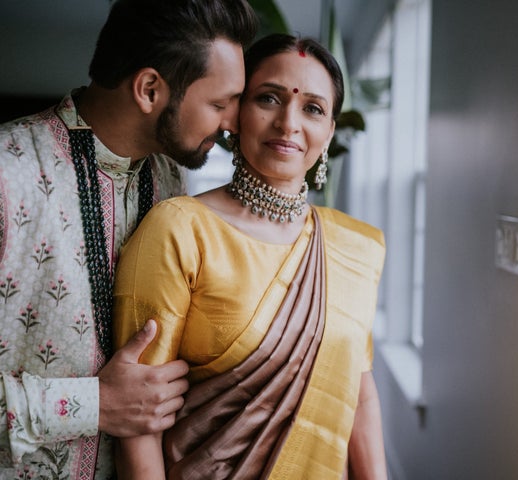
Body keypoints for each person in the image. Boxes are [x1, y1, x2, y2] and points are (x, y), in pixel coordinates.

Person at [112, 33, 389, 479]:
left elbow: (359, 391)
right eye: (268, 99)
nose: (288, 123)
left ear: (330, 131)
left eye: (313, 108)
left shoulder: (354, 248)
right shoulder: (180, 228)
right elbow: (140, 417)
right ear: (237, 114)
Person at [0, 0, 257, 478]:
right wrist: (92, 404)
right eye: (220, 103)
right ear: (149, 89)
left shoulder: (169, 184)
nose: (232, 123)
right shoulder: (6, 172)